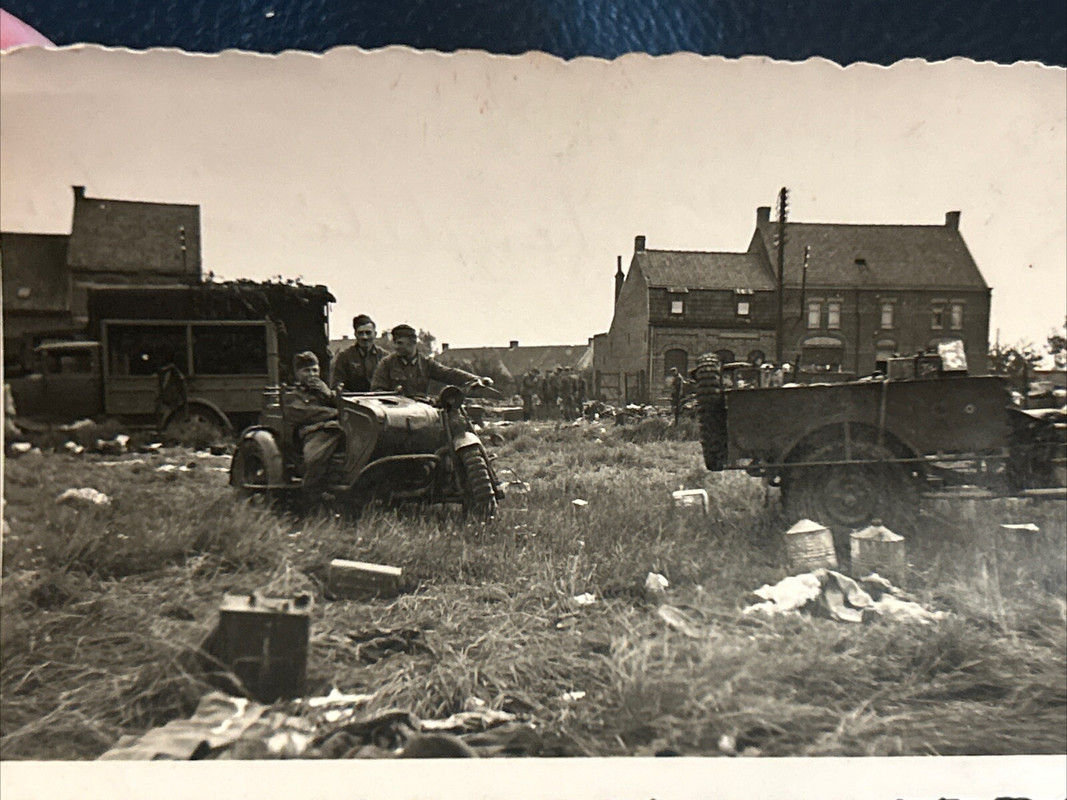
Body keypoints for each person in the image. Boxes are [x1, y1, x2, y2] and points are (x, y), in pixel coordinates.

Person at [371, 324, 492, 397]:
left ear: (412, 343)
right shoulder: (387, 363)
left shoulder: (425, 363)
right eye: (395, 343)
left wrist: (477, 379)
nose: (396, 347)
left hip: (421, 413)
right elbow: (376, 390)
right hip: (395, 416)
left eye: (400, 343)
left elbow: (449, 374)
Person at [287, 351, 342, 502]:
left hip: (336, 429)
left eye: (315, 370)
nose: (312, 375)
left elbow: (346, 407)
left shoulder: (324, 391)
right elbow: (305, 414)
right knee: (315, 458)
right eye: (306, 371)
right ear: (297, 373)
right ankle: (310, 494)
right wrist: (336, 413)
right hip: (312, 433)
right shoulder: (293, 394)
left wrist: (328, 394)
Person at [330, 313, 383, 392]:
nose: (364, 337)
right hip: (353, 401)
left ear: (375, 334)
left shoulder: (384, 356)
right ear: (355, 335)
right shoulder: (344, 357)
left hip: (380, 400)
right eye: (360, 333)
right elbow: (336, 384)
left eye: (368, 333)